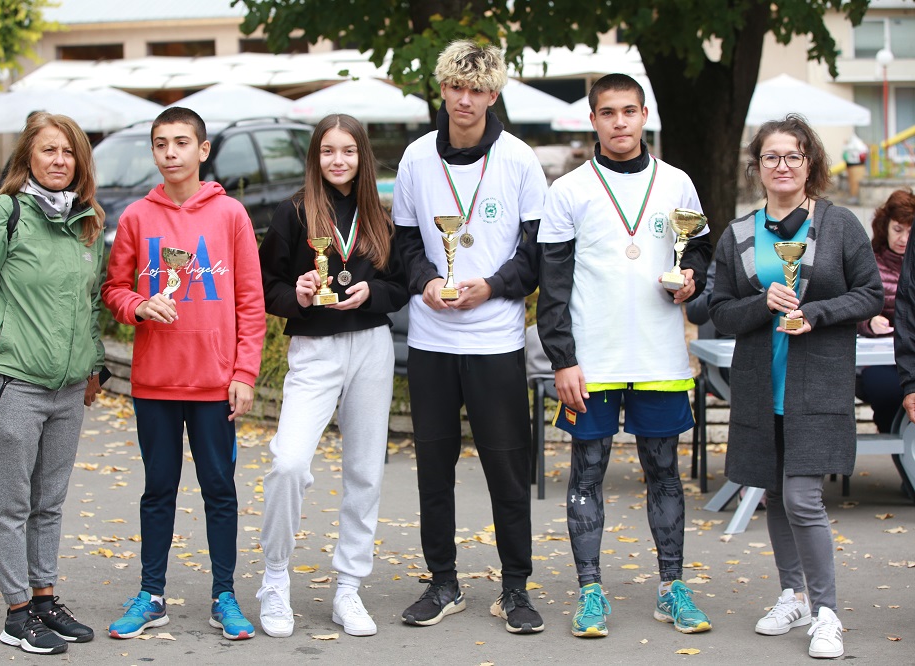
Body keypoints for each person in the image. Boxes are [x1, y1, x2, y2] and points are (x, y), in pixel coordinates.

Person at [536, 73, 713, 639]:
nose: (619, 122)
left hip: (659, 356)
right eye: (608, 112)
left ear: (644, 116)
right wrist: (562, 359)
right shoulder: (568, 190)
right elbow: (553, 286)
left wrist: (691, 279)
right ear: (593, 120)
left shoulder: (678, 183)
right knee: (587, 473)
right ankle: (590, 592)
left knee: (665, 474)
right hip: (593, 360)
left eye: (629, 111)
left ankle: (672, 588)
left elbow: (699, 252)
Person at [710, 114, 882, 659]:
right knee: (775, 493)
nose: (781, 166)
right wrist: (761, 303)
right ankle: (794, 596)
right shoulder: (739, 233)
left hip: (819, 384)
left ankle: (827, 613)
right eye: (771, 157)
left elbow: (870, 294)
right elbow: (718, 310)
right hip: (761, 386)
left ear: (810, 164)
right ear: (757, 166)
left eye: (793, 156)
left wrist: (817, 313)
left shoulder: (839, 224)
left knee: (803, 497)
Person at [392, 40, 547, 634]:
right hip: (431, 341)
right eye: (457, 86)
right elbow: (406, 242)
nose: (465, 99)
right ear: (443, 89)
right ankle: (443, 583)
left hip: (495, 340)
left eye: (477, 89)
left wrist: (493, 286)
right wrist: (428, 281)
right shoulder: (415, 158)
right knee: (434, 468)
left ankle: (515, 588)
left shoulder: (519, 159)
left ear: (493, 94)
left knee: (507, 471)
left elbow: (536, 252)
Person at [0, 112, 106, 655]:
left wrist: (93, 365)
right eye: (48, 150)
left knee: (50, 502)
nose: (59, 160)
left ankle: (44, 598)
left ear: (80, 161)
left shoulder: (87, 222)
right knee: (14, 504)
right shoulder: (5, 214)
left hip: (68, 390)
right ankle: (16, 614)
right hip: (14, 383)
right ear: (27, 158)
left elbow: (88, 304)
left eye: (69, 152)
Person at [101, 107, 266, 641]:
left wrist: (244, 372)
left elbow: (250, 302)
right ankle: (151, 595)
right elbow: (113, 289)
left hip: (214, 383)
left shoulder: (231, 215)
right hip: (155, 382)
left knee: (220, 489)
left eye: (180, 142)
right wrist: (139, 305)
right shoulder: (135, 217)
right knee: (158, 490)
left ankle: (224, 595)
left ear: (203, 150)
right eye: (160, 143)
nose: (170, 152)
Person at [255, 114, 407, 638]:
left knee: (365, 470)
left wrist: (374, 294)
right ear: (315, 157)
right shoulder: (294, 212)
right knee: (289, 462)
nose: (337, 160)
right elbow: (266, 284)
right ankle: (276, 578)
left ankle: (348, 587)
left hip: (370, 346)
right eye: (327, 151)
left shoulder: (380, 216)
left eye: (348, 151)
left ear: (362, 156)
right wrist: (296, 296)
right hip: (315, 350)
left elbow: (400, 285)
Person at [857, 188, 912, 433]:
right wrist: (869, 323)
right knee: (886, 389)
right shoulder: (868, 264)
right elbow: (851, 310)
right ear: (884, 227)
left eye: (911, 232)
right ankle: (895, 438)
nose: (904, 239)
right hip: (880, 361)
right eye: (897, 229)